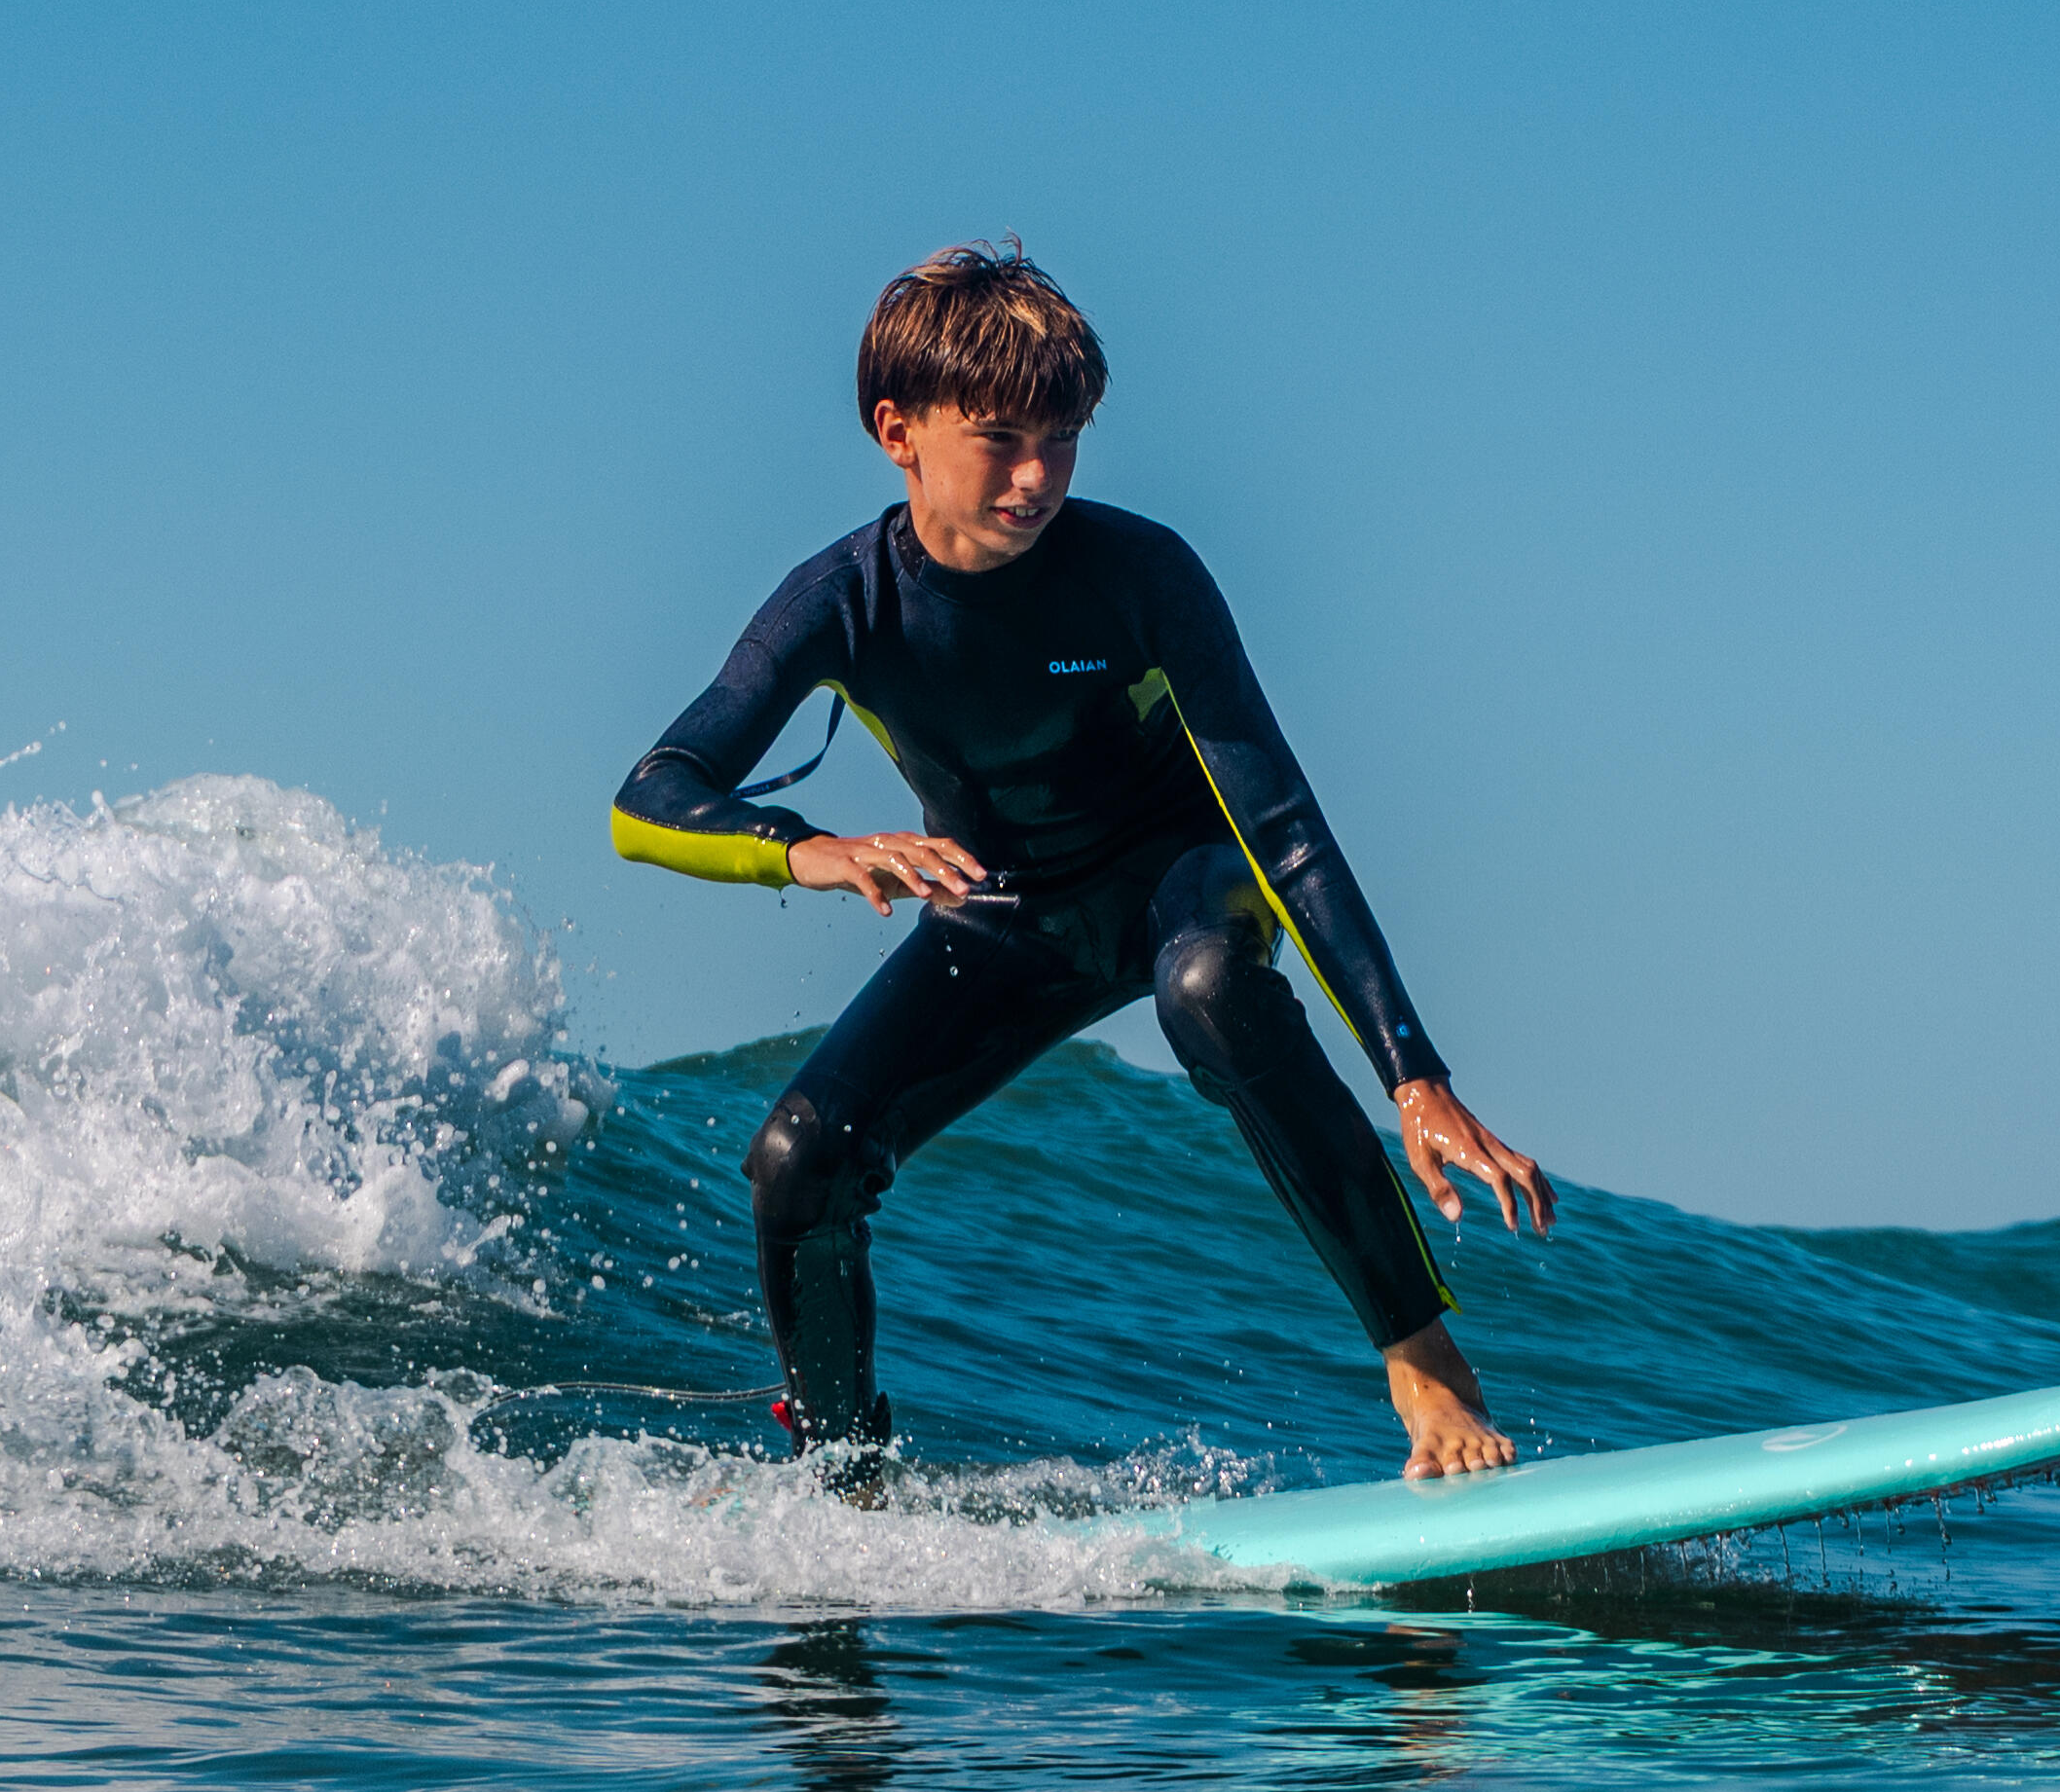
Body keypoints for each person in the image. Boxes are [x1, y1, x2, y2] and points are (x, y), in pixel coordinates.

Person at [612, 244, 1548, 1482]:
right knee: (799, 1161)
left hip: (1179, 877)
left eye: (1061, 438)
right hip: (1003, 913)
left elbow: (1283, 825)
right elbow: (650, 796)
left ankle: (1423, 1362)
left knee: (1208, 989)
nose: (1037, 475)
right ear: (896, 431)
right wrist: (811, 850)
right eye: (1000, 438)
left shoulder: (1139, 574)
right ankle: (844, 1480)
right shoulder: (840, 603)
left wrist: (1412, 1073)